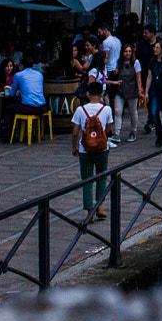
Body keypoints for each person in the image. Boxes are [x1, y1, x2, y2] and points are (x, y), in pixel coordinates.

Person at [71, 84, 116, 222]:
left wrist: (74, 148)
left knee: (87, 180)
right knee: (102, 176)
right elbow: (108, 129)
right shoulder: (107, 109)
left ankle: (89, 211)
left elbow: (75, 132)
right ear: (101, 94)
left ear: (88, 94)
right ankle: (100, 206)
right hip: (102, 149)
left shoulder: (80, 110)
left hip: (85, 149)